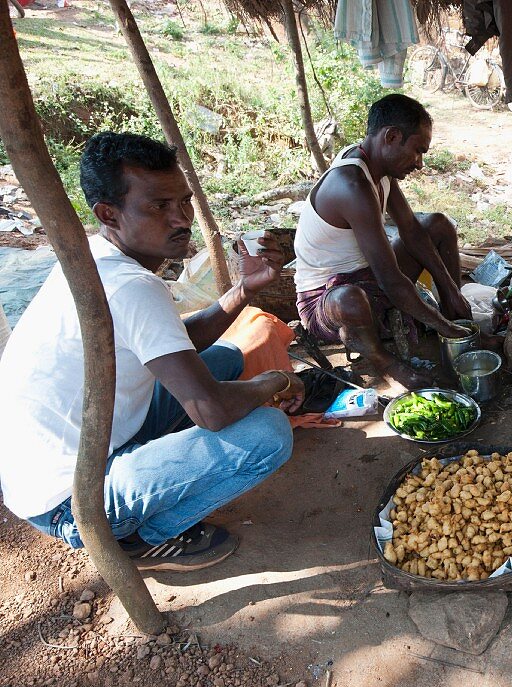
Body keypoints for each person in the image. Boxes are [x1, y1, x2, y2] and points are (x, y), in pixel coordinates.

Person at [0, 132, 300, 571]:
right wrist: (276, 381)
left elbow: (172, 343)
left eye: (183, 202)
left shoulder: (95, 256)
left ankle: (142, 494)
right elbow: (211, 411)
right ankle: (143, 538)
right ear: (109, 213)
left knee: (224, 359)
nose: (181, 219)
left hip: (71, 454)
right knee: (267, 434)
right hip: (72, 501)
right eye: (159, 206)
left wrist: (244, 290)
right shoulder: (131, 285)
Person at [293, 94, 471, 388]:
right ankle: (385, 363)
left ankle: (457, 318)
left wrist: (451, 290)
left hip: (366, 278)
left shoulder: (379, 167)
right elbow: (391, 280)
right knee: (350, 300)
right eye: (417, 151)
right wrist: (441, 326)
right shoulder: (352, 186)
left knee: (438, 225)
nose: (420, 163)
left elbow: (412, 230)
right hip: (325, 303)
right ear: (391, 137)